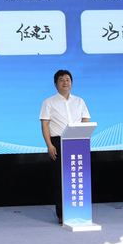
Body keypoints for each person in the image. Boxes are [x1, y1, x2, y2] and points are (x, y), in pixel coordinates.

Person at [39, 70, 90, 224]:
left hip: (77, 141)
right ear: (55, 84)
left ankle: (80, 210)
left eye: (68, 79)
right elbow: (45, 125)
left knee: (79, 178)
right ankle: (62, 213)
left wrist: (85, 139)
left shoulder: (79, 101)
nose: (65, 82)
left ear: (71, 83)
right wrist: (49, 145)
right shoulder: (49, 102)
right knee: (60, 179)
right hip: (58, 142)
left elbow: (85, 120)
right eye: (61, 80)